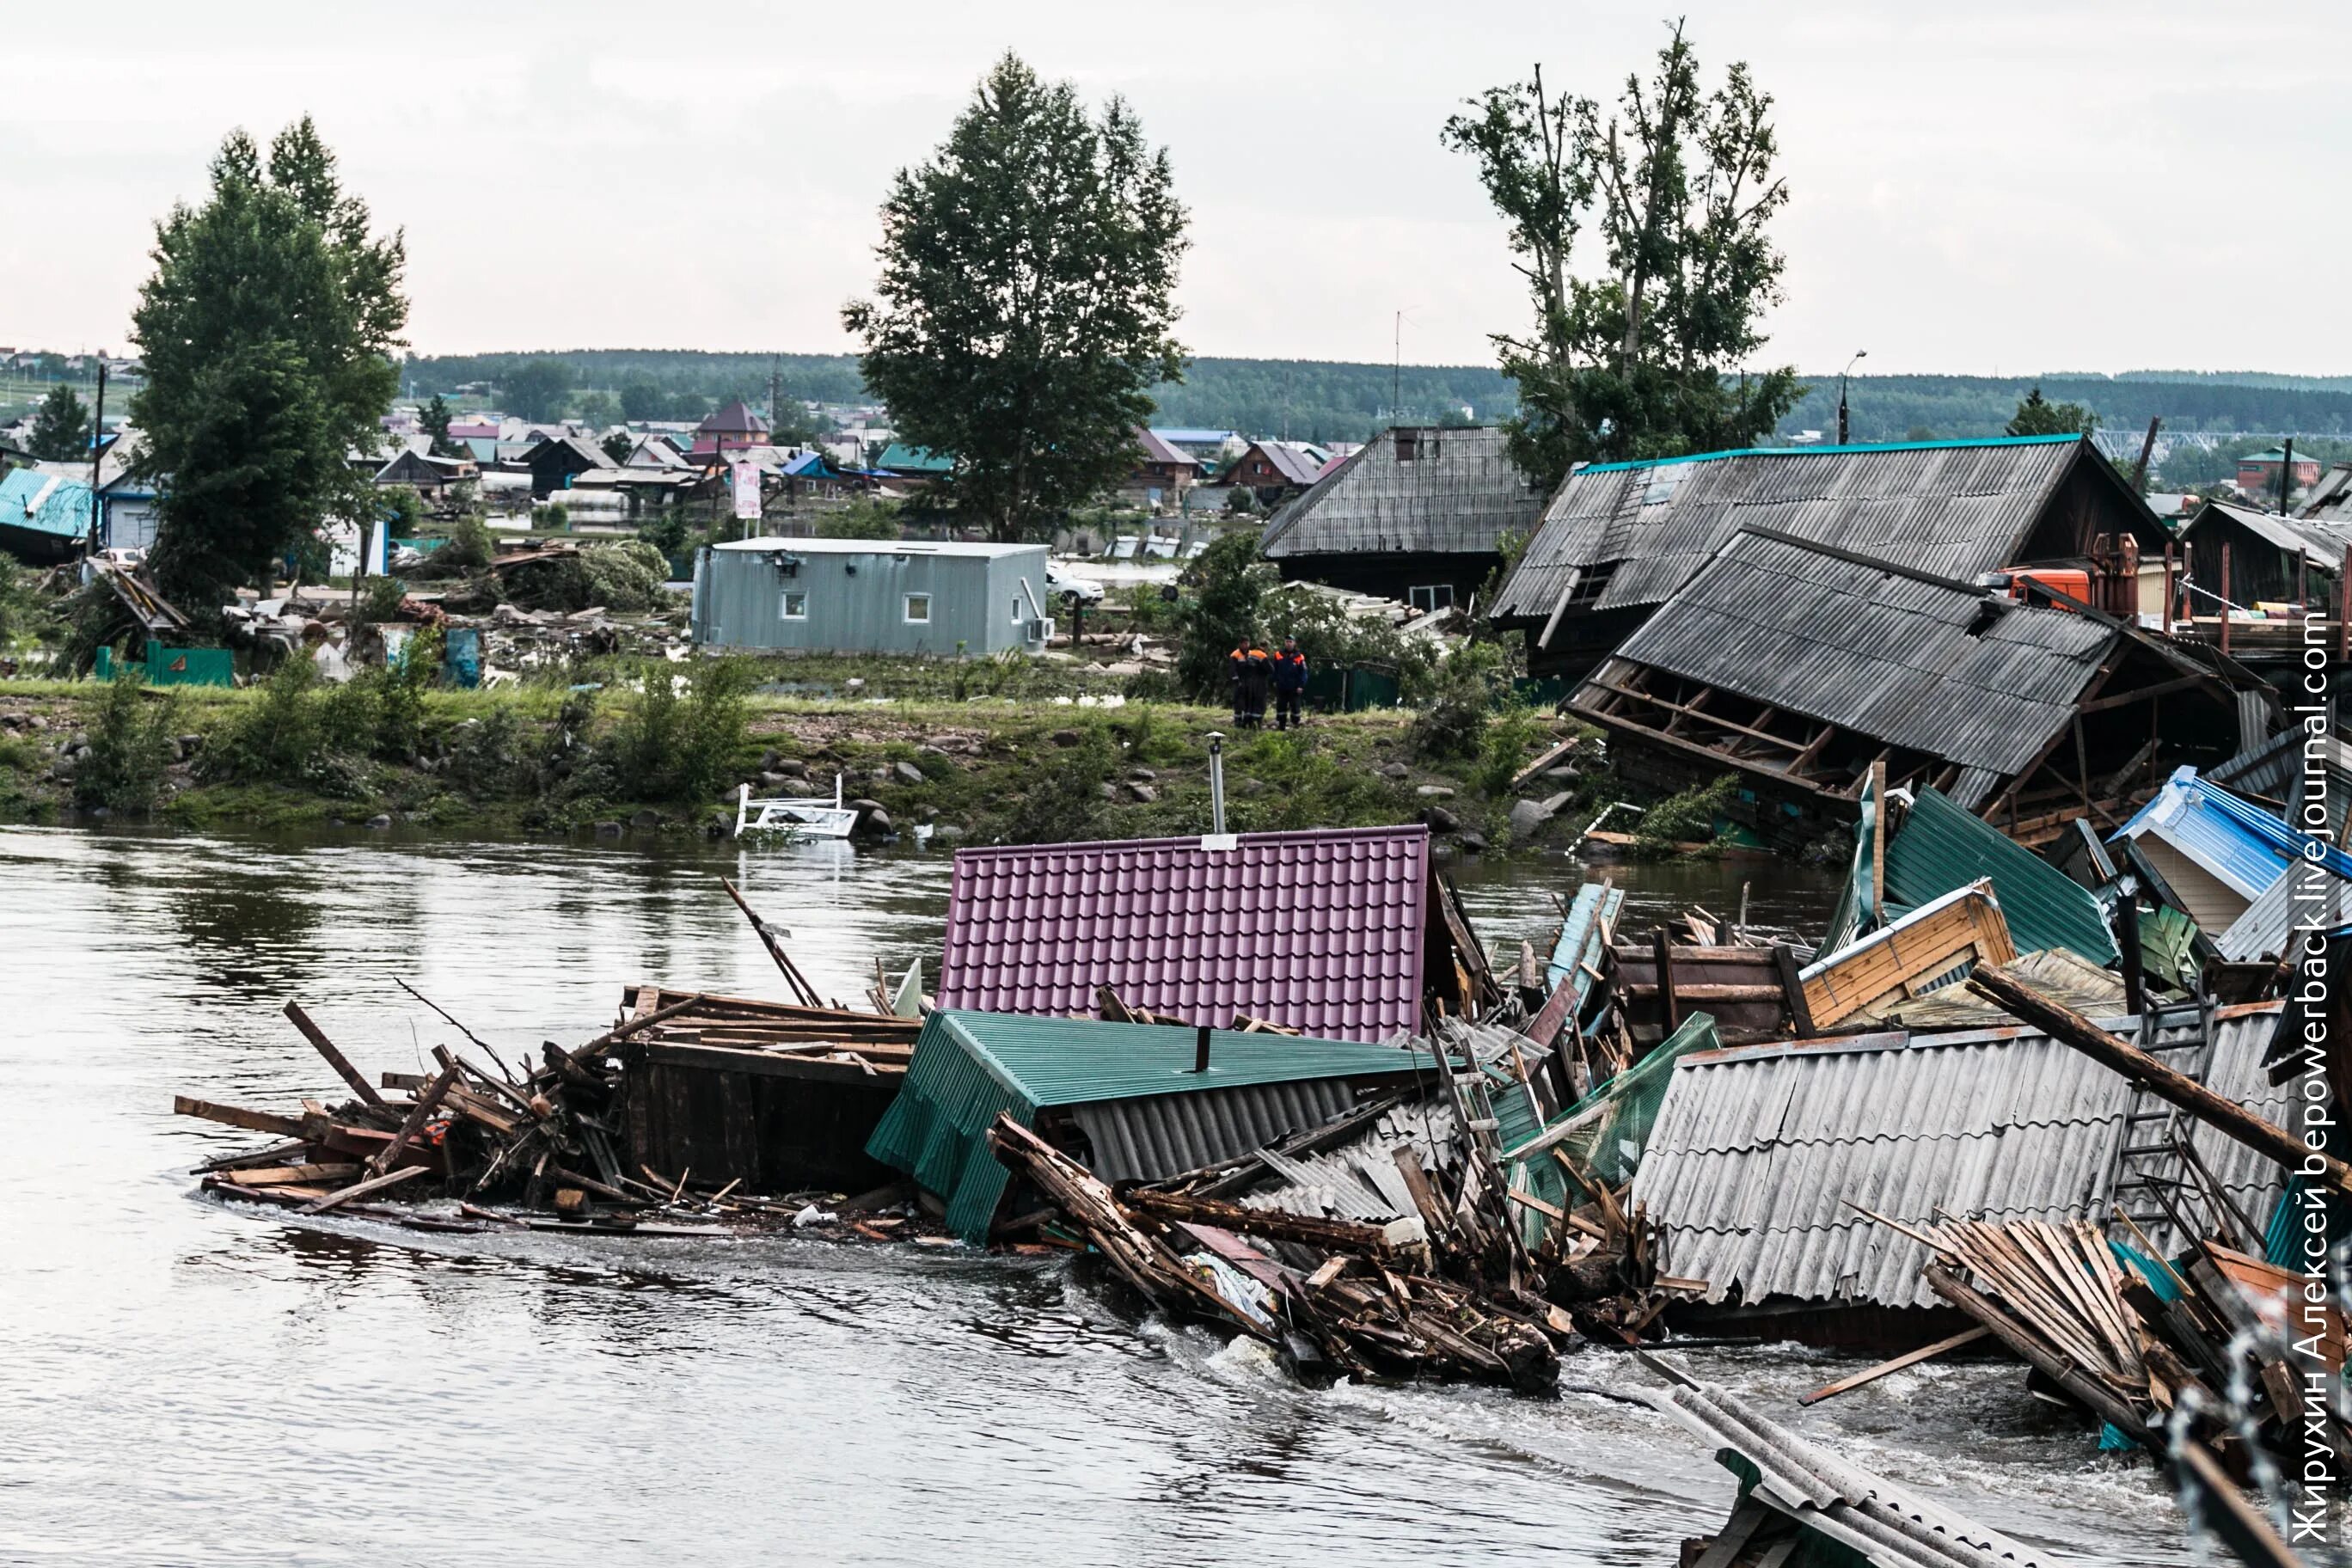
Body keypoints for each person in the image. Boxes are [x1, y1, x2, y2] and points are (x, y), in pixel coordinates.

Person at [1271, 636, 1308, 729]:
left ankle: (1295, 725)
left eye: (1290, 641)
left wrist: (1301, 685)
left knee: (1295, 707)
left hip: (1294, 687)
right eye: (1287, 641)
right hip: (1282, 686)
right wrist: (1274, 680)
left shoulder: (1299, 656)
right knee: (1281, 706)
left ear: (1294, 643)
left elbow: (1303, 673)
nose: (1288, 643)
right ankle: (1281, 726)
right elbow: (1274, 670)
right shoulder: (1278, 654)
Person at [1237, 642, 1273, 730]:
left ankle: (1246, 723)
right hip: (1259, 683)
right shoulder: (1261, 655)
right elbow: (1271, 669)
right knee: (1259, 704)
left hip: (1247, 683)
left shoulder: (1249, 653)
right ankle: (1257, 725)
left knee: (1249, 704)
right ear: (1265, 647)